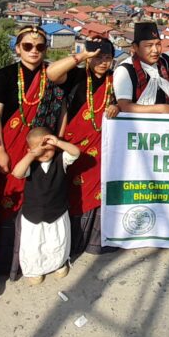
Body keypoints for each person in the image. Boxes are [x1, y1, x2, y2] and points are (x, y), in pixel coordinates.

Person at [0, 25, 69, 278]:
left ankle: (46, 260)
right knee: (9, 203)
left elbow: (62, 111)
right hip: (12, 147)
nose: (34, 51)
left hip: (44, 149)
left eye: (40, 46)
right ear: (17, 48)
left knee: (43, 198)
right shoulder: (4, 76)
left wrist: (58, 142)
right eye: (27, 46)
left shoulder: (54, 75)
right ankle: (7, 265)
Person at [45, 38, 120, 257]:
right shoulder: (77, 76)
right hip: (73, 147)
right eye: (97, 57)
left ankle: (95, 243)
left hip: (102, 149)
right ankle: (69, 246)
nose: (102, 62)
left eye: (107, 58)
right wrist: (83, 55)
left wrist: (117, 106)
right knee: (73, 194)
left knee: (99, 194)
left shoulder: (116, 81)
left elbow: (127, 102)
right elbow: (51, 74)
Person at [10, 126, 82, 285]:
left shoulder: (61, 160)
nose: (44, 152)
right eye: (39, 149)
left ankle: (59, 264)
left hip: (57, 212)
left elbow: (75, 153)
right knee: (34, 244)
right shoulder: (30, 164)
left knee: (57, 240)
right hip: (33, 215)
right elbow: (17, 173)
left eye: (47, 148)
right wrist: (31, 155)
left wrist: (58, 142)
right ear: (30, 150)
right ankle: (35, 269)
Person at [113, 21, 169, 114]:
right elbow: (124, 106)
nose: (155, 50)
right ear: (135, 47)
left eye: (158, 44)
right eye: (149, 45)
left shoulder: (162, 64)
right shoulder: (125, 70)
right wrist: (160, 109)